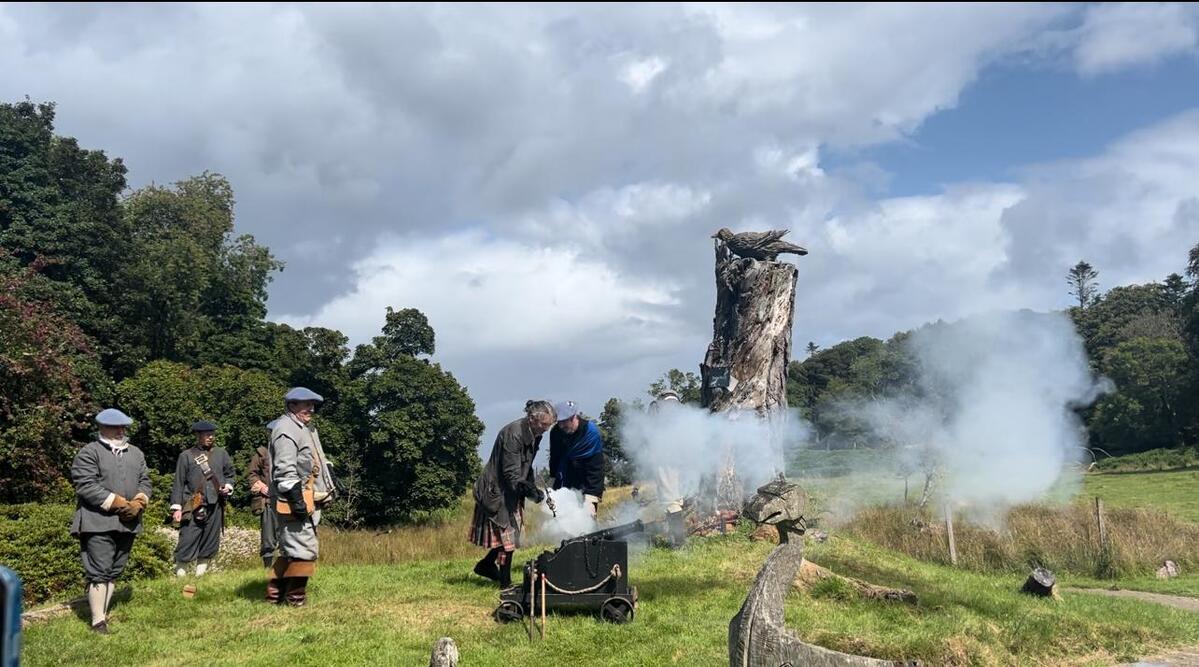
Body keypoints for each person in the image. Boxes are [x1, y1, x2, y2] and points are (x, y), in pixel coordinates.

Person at [69, 408, 152, 634]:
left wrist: (138, 502)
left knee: (115, 569)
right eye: (116, 427)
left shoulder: (136, 453)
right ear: (102, 427)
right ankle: (98, 622)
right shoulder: (89, 452)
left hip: (129, 522)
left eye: (123, 427)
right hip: (97, 522)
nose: (121, 431)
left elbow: (145, 481)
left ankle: (103, 613)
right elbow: (86, 485)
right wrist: (117, 503)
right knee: (99, 570)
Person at [469, 400, 556, 587]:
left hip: (510, 490)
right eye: (544, 425)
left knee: (508, 538)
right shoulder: (514, 434)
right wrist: (531, 492)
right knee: (507, 540)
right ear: (533, 419)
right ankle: (505, 583)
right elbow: (511, 474)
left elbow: (526, 465)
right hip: (496, 491)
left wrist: (532, 487)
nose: (546, 429)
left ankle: (485, 565)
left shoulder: (534, 433)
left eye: (549, 425)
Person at [267, 387, 335, 607]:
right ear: (291, 405)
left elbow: (316, 461)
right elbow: (285, 471)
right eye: (306, 404)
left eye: (312, 405)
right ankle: (295, 600)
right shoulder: (286, 429)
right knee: (304, 550)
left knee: (290, 551)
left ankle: (274, 597)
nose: (311, 409)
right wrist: (297, 501)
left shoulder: (305, 428)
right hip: (294, 499)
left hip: (307, 497)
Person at [169, 421, 235, 577]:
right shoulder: (186, 456)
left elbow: (230, 474)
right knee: (187, 541)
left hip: (215, 504)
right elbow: (178, 482)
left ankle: (200, 579)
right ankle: (180, 577)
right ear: (198, 435)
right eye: (206, 434)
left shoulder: (221, 453)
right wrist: (177, 507)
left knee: (210, 542)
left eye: (212, 434)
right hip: (192, 504)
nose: (210, 437)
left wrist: (228, 486)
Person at [548, 400, 605, 517]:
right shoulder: (556, 432)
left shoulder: (591, 433)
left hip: (586, 481)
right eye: (559, 422)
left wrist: (591, 497)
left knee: (587, 517)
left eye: (564, 422)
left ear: (574, 417)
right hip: (564, 479)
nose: (561, 426)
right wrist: (553, 482)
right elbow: (555, 458)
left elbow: (596, 468)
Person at [649, 391, 688, 547]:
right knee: (676, 499)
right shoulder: (681, 409)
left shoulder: (657, 407)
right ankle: (676, 539)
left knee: (670, 500)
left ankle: (679, 543)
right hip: (680, 458)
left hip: (665, 457)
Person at [248, 420, 279, 569]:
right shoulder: (261, 453)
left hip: (290, 500)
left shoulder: (293, 451)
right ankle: (267, 569)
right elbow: (252, 474)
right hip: (268, 501)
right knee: (268, 538)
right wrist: (261, 487)